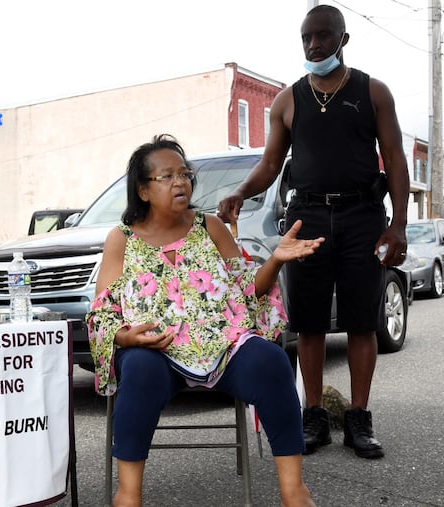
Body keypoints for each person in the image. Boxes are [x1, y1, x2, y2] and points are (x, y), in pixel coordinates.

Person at [88, 134, 323, 507]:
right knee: (140, 371)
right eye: (167, 176)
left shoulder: (208, 227)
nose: (181, 182)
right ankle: (127, 495)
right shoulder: (122, 239)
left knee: (271, 359)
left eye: (184, 174)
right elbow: (102, 311)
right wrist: (126, 337)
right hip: (155, 350)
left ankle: (294, 491)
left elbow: (248, 291)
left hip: (220, 345)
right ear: (143, 190)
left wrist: (275, 260)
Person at [218, 5, 409, 460]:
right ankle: (315, 416)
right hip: (307, 217)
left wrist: (398, 223)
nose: (313, 45)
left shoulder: (372, 92)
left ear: (343, 40)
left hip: (363, 215)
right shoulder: (289, 99)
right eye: (307, 37)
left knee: (363, 319)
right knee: (309, 322)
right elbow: (269, 163)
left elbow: (396, 158)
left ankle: (359, 419)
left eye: (323, 36)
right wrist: (241, 192)